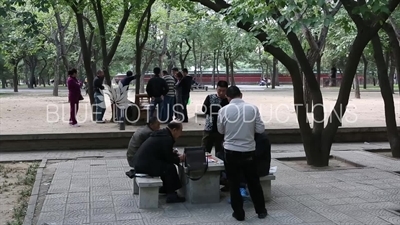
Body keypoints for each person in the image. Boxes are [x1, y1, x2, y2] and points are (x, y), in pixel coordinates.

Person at [217, 86, 267, 221]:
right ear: (241, 95)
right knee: (253, 182)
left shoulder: (223, 110)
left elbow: (220, 131)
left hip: (230, 151)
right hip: (248, 151)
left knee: (233, 183)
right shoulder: (252, 108)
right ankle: (261, 211)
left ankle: (239, 213)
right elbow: (260, 129)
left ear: (227, 97)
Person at [133, 121, 186, 203]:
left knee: (166, 166)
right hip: (144, 166)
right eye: (180, 131)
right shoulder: (167, 138)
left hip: (141, 163)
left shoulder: (163, 134)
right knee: (170, 168)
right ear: (174, 130)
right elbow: (168, 158)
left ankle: (166, 188)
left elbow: (164, 153)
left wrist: (174, 155)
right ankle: (171, 195)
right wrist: (179, 159)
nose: (181, 134)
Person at [201, 80, 229, 155]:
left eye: (224, 91)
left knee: (220, 152)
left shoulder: (228, 100)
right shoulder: (210, 97)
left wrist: (213, 109)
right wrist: (220, 109)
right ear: (216, 89)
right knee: (205, 150)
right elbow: (204, 109)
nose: (221, 93)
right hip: (209, 128)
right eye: (219, 90)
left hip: (222, 130)